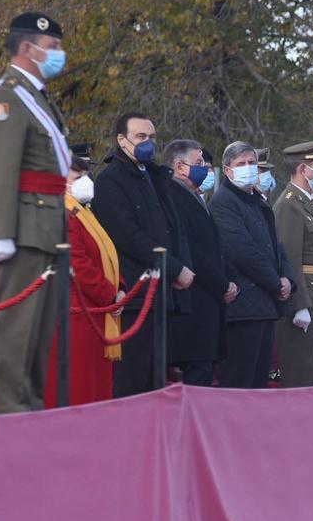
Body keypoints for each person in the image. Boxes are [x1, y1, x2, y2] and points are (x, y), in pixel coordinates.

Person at [0, 12, 75, 413]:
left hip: (46, 226)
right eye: (51, 48)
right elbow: (0, 167)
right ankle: (11, 413)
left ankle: (30, 409)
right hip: (22, 227)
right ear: (26, 48)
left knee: (37, 335)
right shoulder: (7, 97)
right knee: (15, 332)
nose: (58, 55)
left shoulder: (35, 97)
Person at [92, 112, 194, 396]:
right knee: (134, 377)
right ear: (121, 140)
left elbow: (173, 228)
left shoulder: (155, 176)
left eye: (151, 137)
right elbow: (129, 237)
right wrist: (174, 268)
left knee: (156, 377)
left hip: (162, 291)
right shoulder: (111, 181)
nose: (148, 143)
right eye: (140, 137)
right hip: (137, 293)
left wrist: (177, 268)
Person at [210, 142, 295, 388]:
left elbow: (275, 246)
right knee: (240, 379)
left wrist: (288, 278)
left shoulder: (258, 200)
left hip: (265, 305)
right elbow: (242, 251)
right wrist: (275, 283)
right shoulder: (223, 202)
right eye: (241, 164)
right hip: (243, 306)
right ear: (227, 170)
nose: (248, 168)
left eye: (251, 163)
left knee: (259, 380)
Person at [44, 154, 121, 406]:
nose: (85, 182)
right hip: (77, 313)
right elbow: (77, 264)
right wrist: (110, 295)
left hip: (94, 313)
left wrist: (119, 287)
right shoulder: (61, 213)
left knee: (95, 389)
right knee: (80, 389)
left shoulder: (81, 212)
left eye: (86, 176)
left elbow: (105, 254)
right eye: (78, 176)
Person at [162, 139, 234, 386]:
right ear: (181, 167)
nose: (205, 167)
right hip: (193, 303)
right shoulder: (173, 196)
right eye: (200, 162)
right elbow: (193, 250)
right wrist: (222, 284)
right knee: (196, 379)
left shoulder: (192, 196)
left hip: (205, 305)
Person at [273, 140, 313, 387]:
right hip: (306, 304)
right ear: (303, 170)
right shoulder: (290, 204)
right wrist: (298, 304)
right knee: (300, 375)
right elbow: (289, 258)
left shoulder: (308, 203)